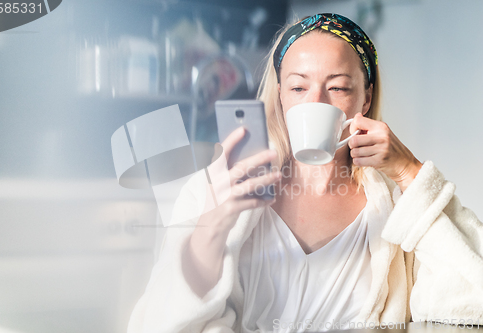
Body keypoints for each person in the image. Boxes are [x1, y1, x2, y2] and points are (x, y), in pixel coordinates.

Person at [127, 13, 483, 333]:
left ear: (366, 98)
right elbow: (162, 319)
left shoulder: (399, 203)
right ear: (280, 96)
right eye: (299, 87)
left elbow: (471, 302)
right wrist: (215, 223)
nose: (316, 103)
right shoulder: (218, 188)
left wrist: (409, 172)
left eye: (339, 87)